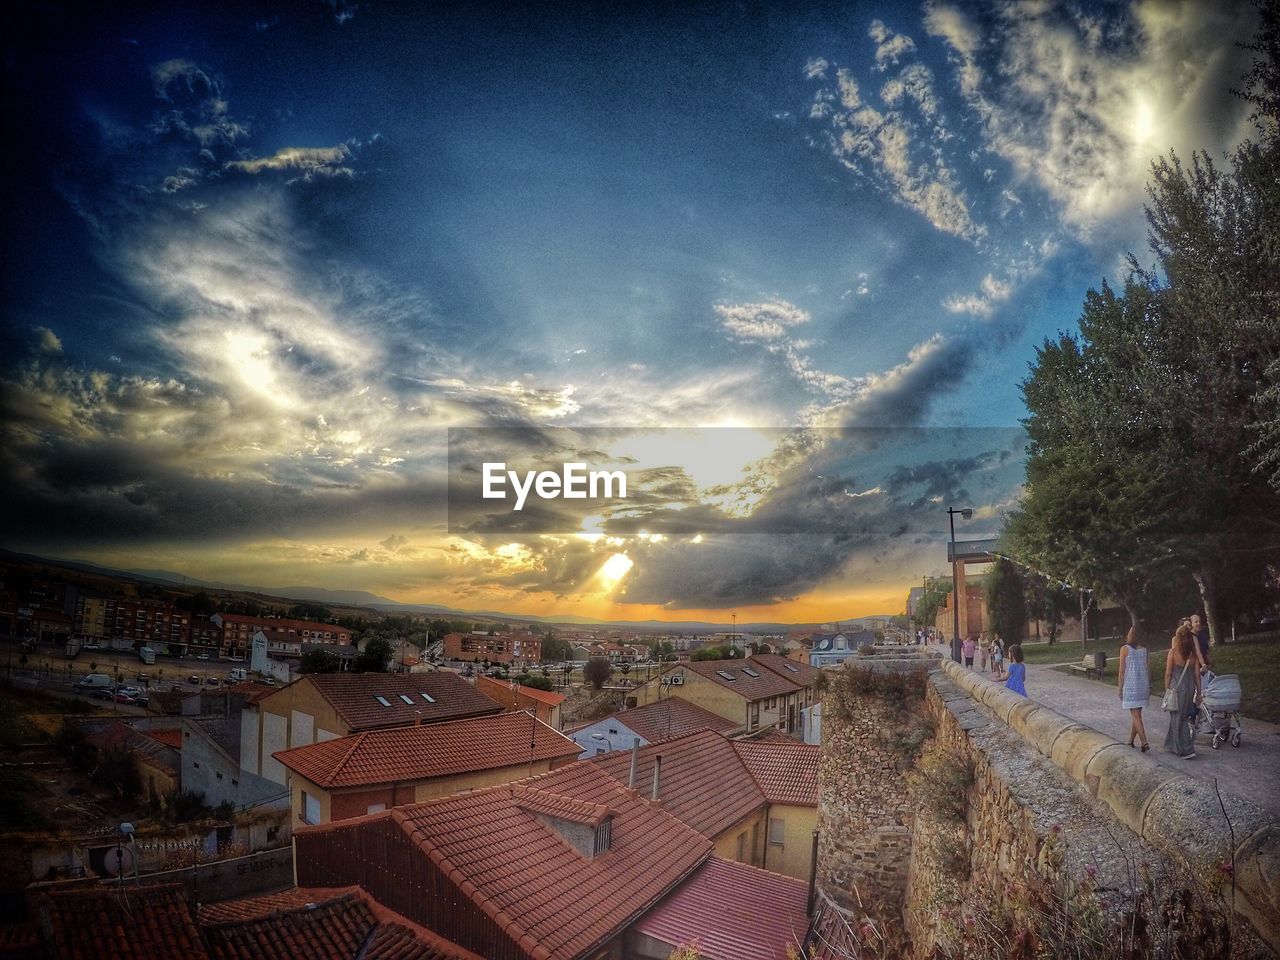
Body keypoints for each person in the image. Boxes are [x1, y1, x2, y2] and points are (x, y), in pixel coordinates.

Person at [1163, 625, 1202, 759]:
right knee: (1181, 716)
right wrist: (1199, 692)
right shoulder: (1193, 656)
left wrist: (1167, 689)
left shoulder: (1173, 653)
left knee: (1178, 717)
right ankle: (1171, 744)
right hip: (1190, 687)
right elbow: (1197, 675)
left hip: (1177, 688)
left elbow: (1168, 673)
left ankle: (1186, 749)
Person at [1117, 626, 1150, 752]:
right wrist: (1149, 685)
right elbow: (1148, 669)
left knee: (1136, 716)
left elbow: (1121, 670)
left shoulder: (1124, 649)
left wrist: (1120, 688)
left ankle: (1144, 742)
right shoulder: (1145, 650)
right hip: (1143, 685)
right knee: (1137, 716)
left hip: (1131, 686)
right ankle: (1130, 741)